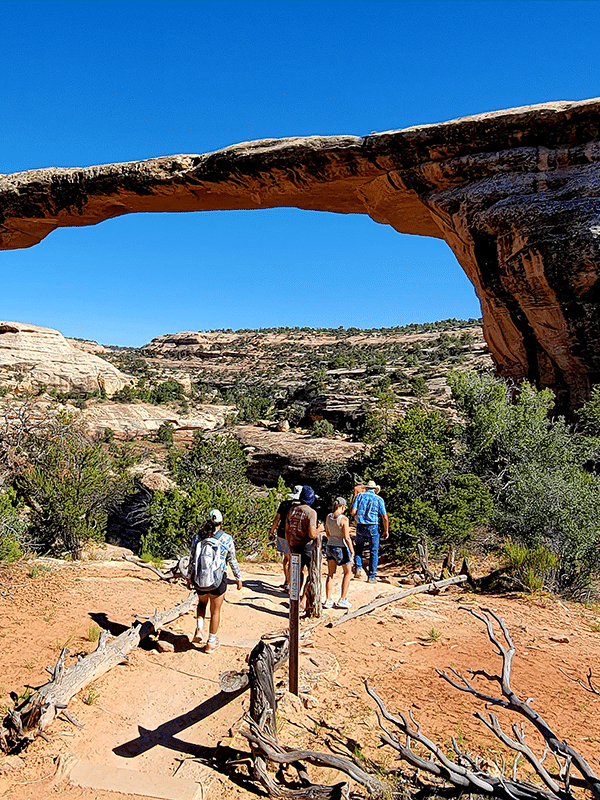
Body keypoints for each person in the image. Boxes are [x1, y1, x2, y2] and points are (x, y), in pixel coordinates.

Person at [187, 509, 243, 653]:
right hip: (218, 581)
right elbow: (232, 559)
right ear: (221, 523)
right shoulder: (226, 539)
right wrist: (238, 578)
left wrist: (189, 577)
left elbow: (193, 558)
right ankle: (211, 642)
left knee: (202, 602)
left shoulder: (198, 537)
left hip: (200, 580)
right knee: (215, 611)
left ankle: (199, 629)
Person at [285, 485, 324, 594]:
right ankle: (303, 600)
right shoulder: (311, 512)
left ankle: (295, 597)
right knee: (313, 573)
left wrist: (289, 545)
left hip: (294, 544)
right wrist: (319, 529)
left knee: (297, 572)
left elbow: (287, 530)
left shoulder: (292, 510)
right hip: (307, 546)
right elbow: (312, 534)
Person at [350, 480, 389, 582]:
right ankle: (371, 576)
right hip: (373, 526)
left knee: (358, 548)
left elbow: (353, 512)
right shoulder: (379, 499)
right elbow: (384, 517)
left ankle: (358, 569)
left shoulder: (359, 497)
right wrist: (386, 530)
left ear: (366, 488)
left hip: (361, 525)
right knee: (373, 551)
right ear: (375, 489)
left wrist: (357, 518)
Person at [269, 485, 302, 590]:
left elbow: (276, 519)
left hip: (282, 533)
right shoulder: (302, 507)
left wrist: (271, 531)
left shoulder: (284, 504)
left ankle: (287, 581)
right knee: (291, 559)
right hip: (294, 535)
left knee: (286, 558)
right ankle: (289, 583)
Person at [323, 497, 354, 609]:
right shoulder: (344, 519)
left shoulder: (328, 517)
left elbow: (327, 532)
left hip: (330, 546)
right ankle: (342, 598)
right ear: (342, 506)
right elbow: (346, 537)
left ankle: (328, 599)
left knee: (330, 573)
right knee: (347, 572)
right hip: (341, 547)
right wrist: (351, 550)